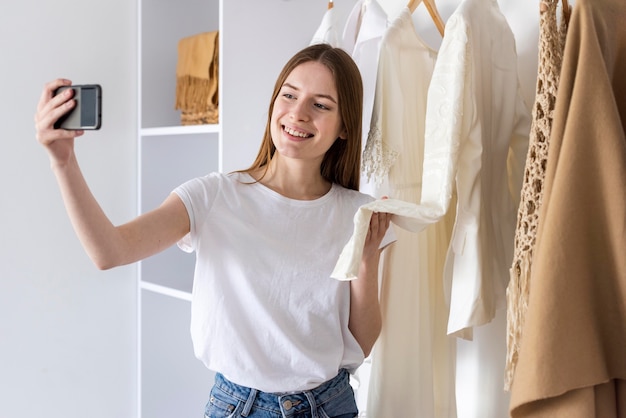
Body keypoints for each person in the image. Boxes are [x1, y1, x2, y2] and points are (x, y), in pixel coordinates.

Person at [34, 43, 394, 418]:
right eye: (289, 95)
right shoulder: (213, 196)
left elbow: (361, 343)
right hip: (240, 407)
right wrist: (63, 162)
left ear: (345, 128)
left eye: (320, 105)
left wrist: (366, 260)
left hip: (330, 406)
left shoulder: (358, 213)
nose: (298, 113)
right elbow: (109, 251)